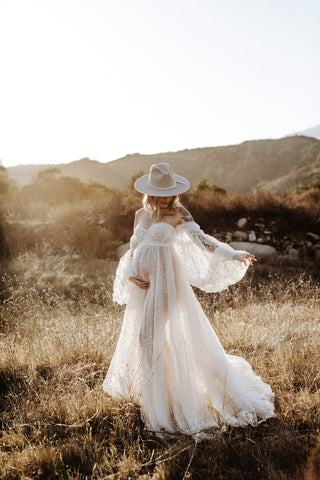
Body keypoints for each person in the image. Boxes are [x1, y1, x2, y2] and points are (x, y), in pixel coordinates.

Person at [103, 163, 275, 438]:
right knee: (150, 339)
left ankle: (170, 402)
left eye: (169, 192)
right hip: (143, 285)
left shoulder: (178, 213)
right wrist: (132, 275)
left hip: (167, 282)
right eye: (160, 192)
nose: (166, 197)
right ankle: (165, 395)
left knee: (148, 338)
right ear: (150, 192)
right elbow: (135, 248)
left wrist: (233, 254)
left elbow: (202, 240)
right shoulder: (140, 215)